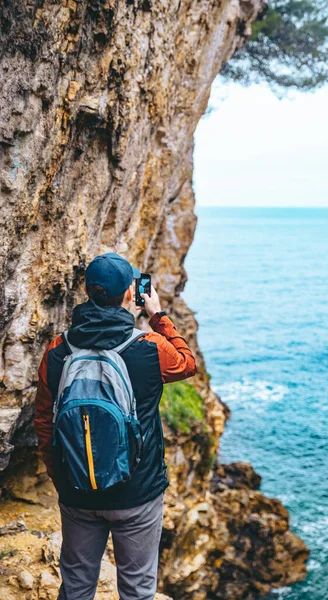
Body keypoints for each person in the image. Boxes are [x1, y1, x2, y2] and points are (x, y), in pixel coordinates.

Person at [34, 252, 197, 600]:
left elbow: (44, 423)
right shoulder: (149, 348)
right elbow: (187, 363)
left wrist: (60, 477)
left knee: (76, 585)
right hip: (137, 493)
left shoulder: (58, 349)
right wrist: (156, 315)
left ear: (87, 291)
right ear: (129, 294)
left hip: (77, 489)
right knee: (137, 589)